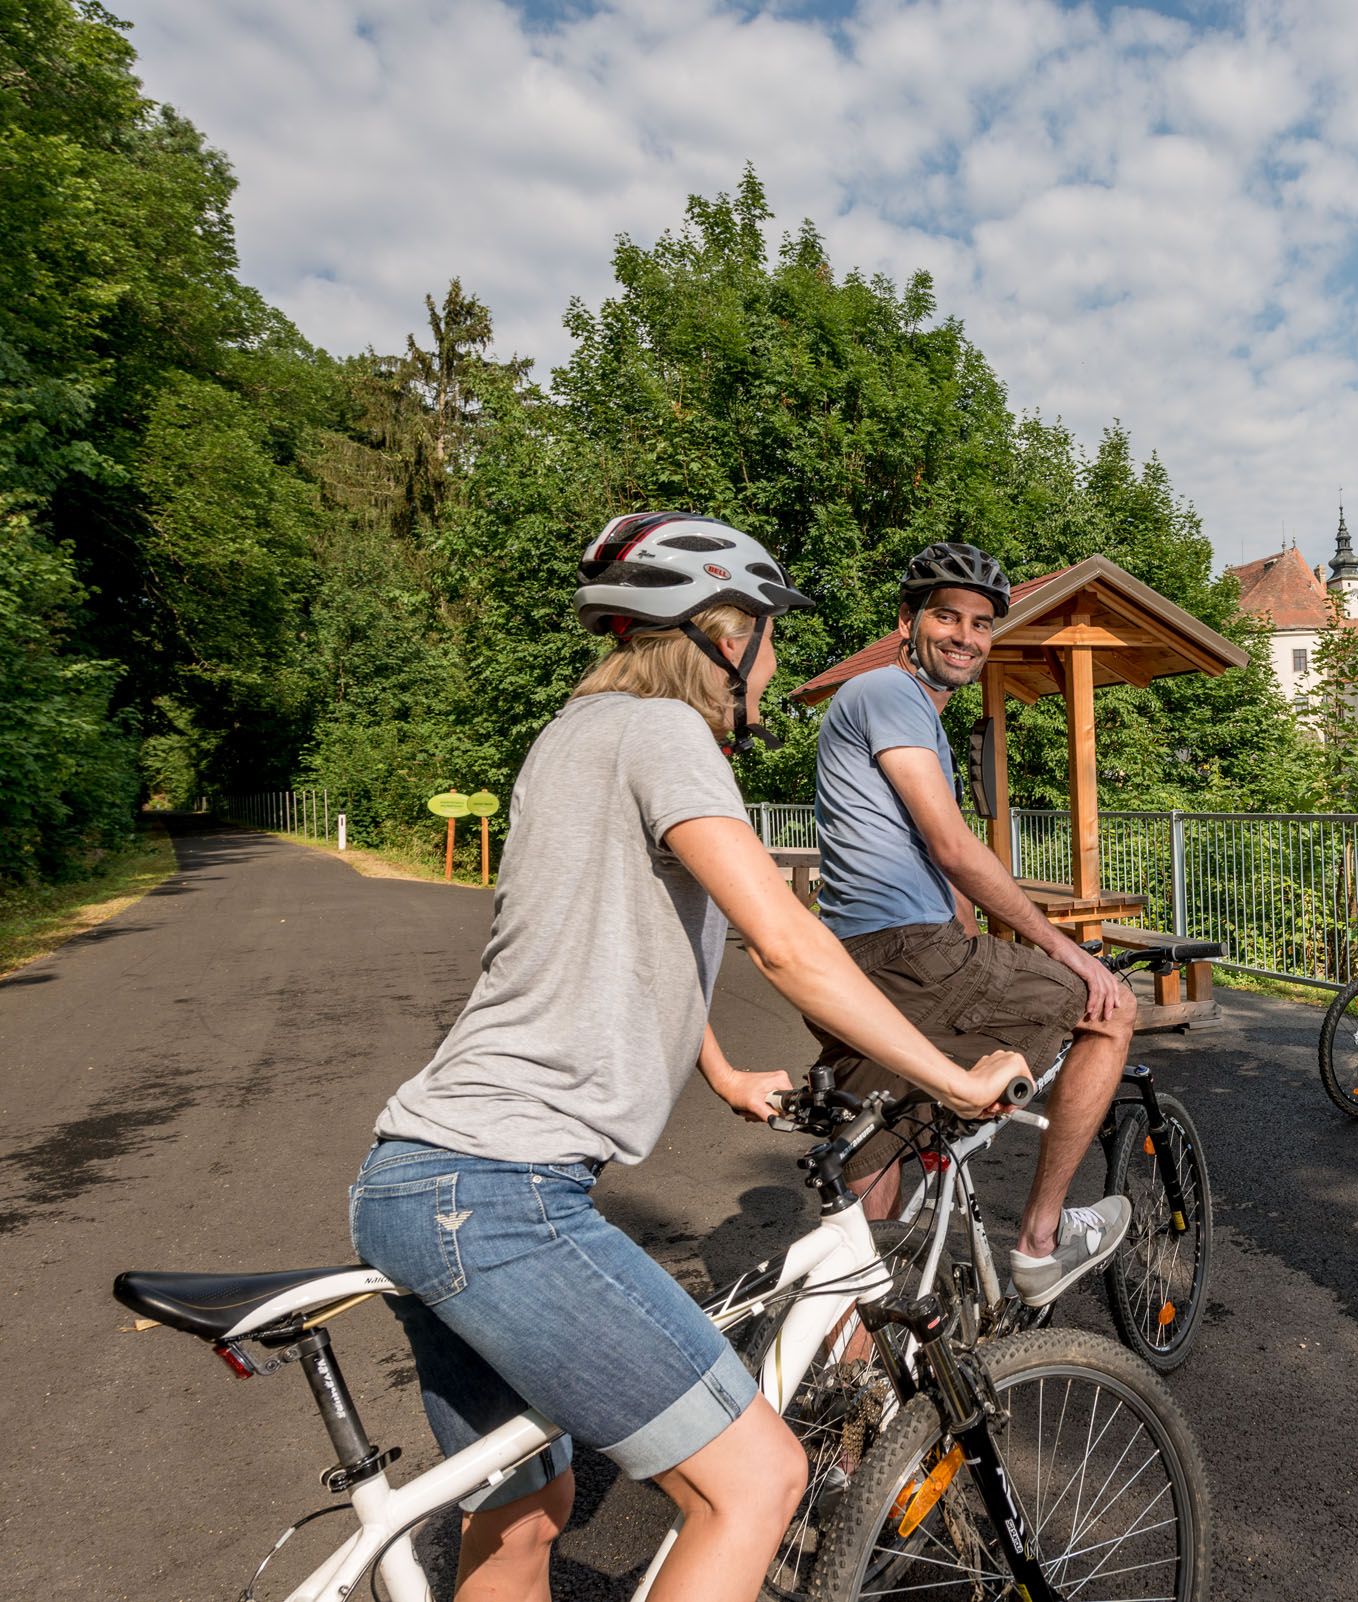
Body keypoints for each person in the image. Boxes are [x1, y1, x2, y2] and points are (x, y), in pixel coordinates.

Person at [349, 513, 1027, 1602]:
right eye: (769, 636)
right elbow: (787, 941)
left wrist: (715, 1068)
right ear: (721, 636)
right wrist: (951, 1076)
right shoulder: (667, 736)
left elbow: (592, 937)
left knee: (526, 1516)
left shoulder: (573, 737)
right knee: (756, 1480)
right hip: (504, 1197)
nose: (778, 662)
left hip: (417, 1173)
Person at [808, 539, 1138, 1307]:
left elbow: (941, 866)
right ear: (907, 623)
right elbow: (955, 845)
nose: (965, 635)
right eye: (947, 616)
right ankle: (1040, 1244)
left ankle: (851, 1385)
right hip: (909, 959)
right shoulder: (889, 694)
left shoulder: (904, 713)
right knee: (1110, 1011)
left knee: (872, 1191)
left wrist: (987, 936)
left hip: (856, 968)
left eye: (983, 623)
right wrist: (1068, 952)